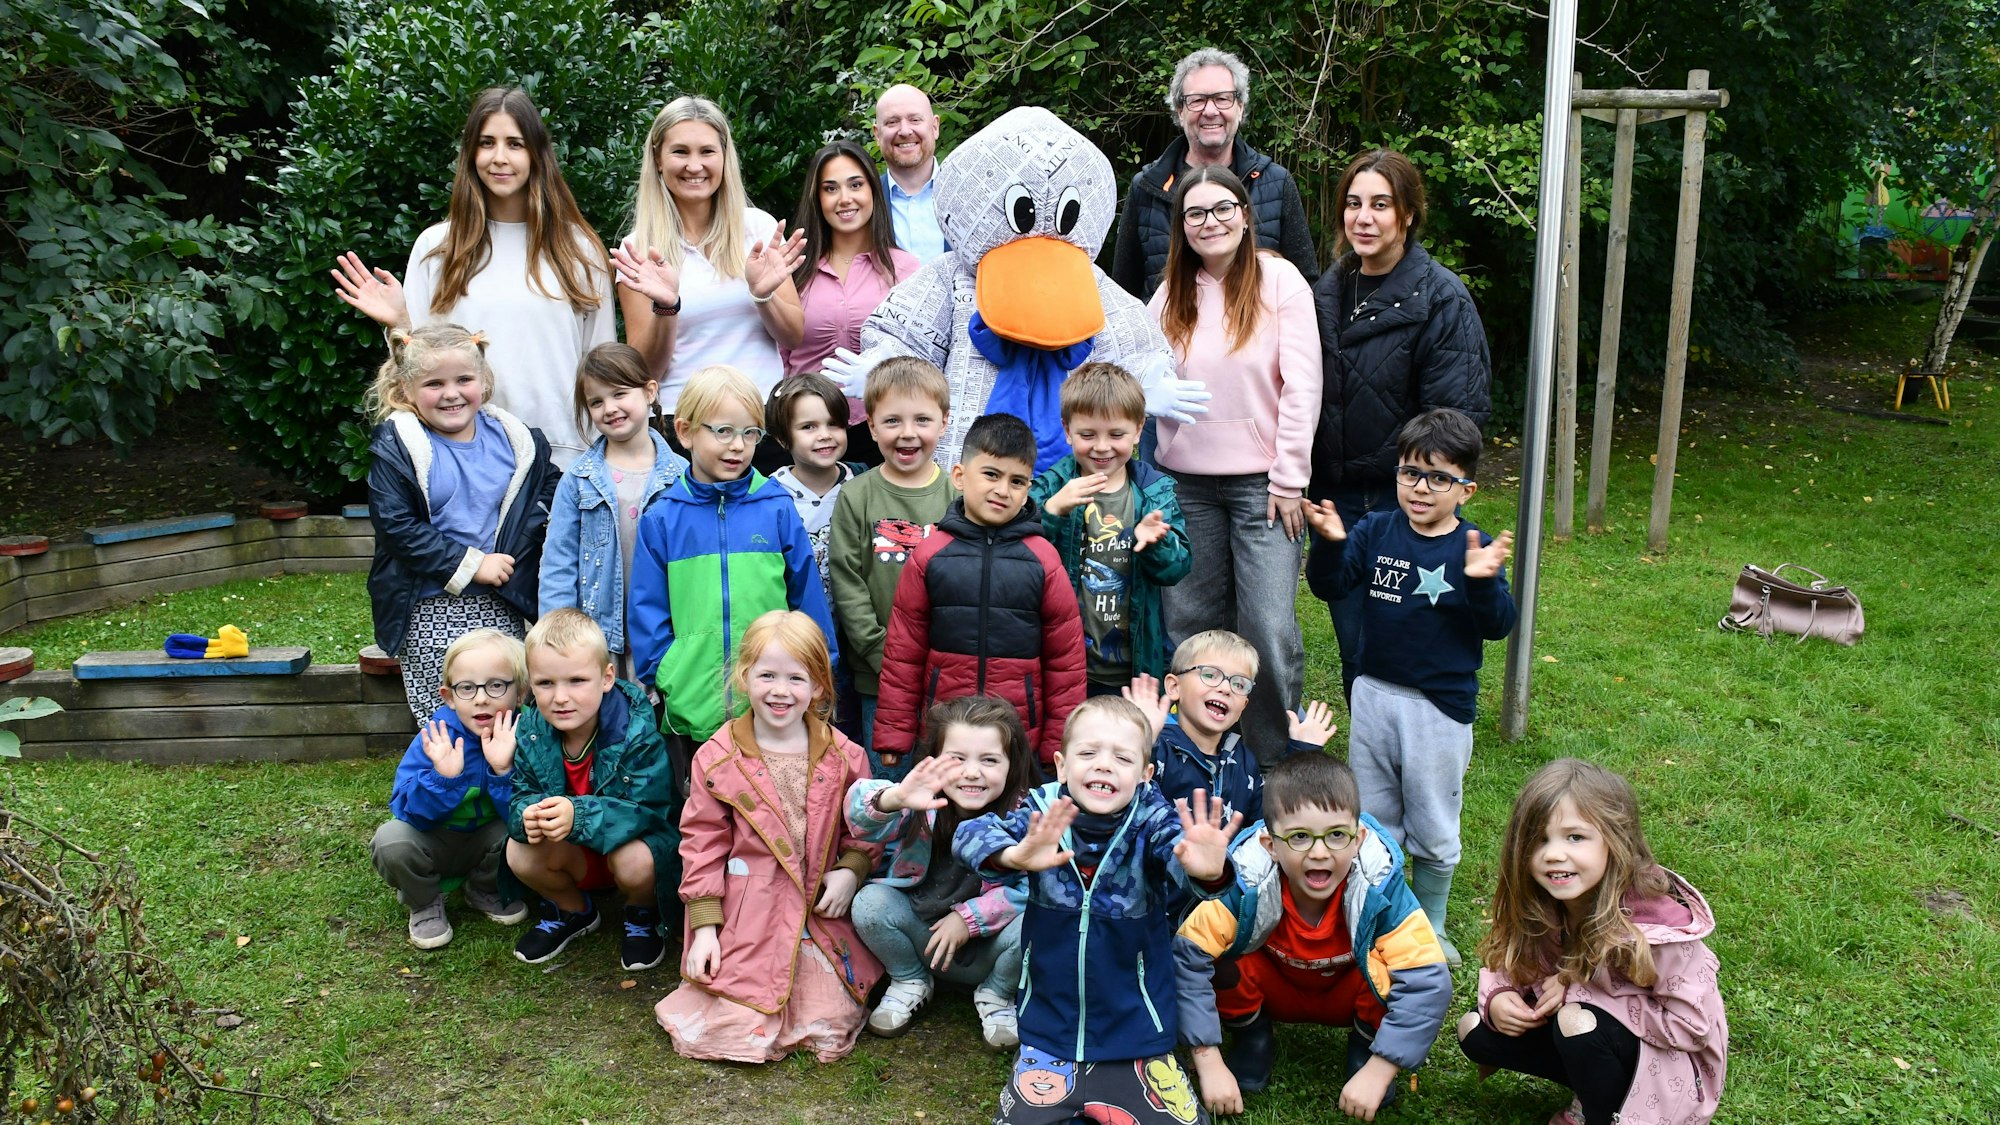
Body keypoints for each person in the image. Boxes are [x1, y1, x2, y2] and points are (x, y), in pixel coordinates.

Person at [954, 695, 1241, 1125]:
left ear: (1145, 775)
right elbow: (970, 832)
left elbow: (1185, 868)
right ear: (1062, 765)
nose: (1103, 764)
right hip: (1049, 1037)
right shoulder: (1040, 810)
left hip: (1138, 1036)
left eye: (1121, 757)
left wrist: (1206, 871)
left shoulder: (1153, 818)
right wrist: (1014, 856)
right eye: (1088, 753)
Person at [1303, 408, 1517, 966]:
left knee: (1432, 815)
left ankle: (1432, 920)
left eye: (1438, 477)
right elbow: (1331, 585)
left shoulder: (1474, 545)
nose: (1421, 488)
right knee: (1375, 813)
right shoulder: (1375, 530)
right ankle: (1384, 911)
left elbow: (1498, 626)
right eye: (1409, 473)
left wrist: (1483, 584)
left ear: (1466, 487)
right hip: (1373, 695)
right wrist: (1328, 543)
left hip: (1438, 710)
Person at [332, 87, 613, 467]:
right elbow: (420, 370)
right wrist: (400, 323)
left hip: (565, 457)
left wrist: (605, 455)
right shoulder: (437, 247)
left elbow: (599, 362)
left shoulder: (577, 249)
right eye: (486, 143)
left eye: (515, 143)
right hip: (463, 460)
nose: (500, 157)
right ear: (470, 154)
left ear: (536, 153)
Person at [1306, 147, 1493, 701]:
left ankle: (1430, 748)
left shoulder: (1442, 299)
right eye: (1354, 203)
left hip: (1404, 500)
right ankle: (1371, 757)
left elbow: (1455, 419)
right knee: (1355, 646)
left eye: (1381, 205)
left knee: (1410, 638)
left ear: (1407, 214)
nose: (1364, 217)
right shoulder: (1325, 294)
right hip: (1337, 496)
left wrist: (1423, 488)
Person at [1148, 165, 1321, 760]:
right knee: (1188, 626)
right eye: (1195, 213)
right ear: (1182, 227)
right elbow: (1138, 364)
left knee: (1267, 629)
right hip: (1185, 484)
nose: (1210, 222)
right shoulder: (1171, 290)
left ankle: (1274, 761)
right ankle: (1192, 757)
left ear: (1245, 216)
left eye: (1223, 209)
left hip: (1263, 485)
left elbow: (1303, 384)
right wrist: (1149, 391)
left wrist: (1291, 476)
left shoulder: (1278, 280)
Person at [657, 610, 882, 1063]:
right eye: (767, 675)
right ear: (744, 677)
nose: (781, 691)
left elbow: (866, 828)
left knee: (829, 1016)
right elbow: (702, 843)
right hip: (747, 915)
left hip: (816, 915)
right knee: (737, 1018)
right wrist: (704, 929)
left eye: (797, 678)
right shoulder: (717, 759)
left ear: (818, 685)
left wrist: (851, 872)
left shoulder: (846, 756)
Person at [1175, 752, 1451, 1119]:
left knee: (1394, 964)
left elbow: (1428, 980)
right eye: (1300, 837)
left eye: (1337, 835)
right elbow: (1187, 955)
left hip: (1349, 994)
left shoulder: (1379, 884)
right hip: (1274, 987)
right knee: (1218, 956)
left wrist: (1381, 1067)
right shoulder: (1246, 880)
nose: (1319, 853)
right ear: (1270, 846)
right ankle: (1252, 1032)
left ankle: (1366, 1045)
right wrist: (1208, 1060)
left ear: (1359, 839)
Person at [1458, 759, 1728, 1125]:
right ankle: (1590, 1086)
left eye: (1575, 837)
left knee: (1577, 1020)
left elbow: (1691, 1026)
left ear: (1616, 841)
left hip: (1669, 1072)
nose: (1553, 853)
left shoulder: (1656, 929)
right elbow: (1514, 961)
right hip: (1588, 1034)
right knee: (1475, 1030)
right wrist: (1500, 996)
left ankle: (1598, 1115)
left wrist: (1582, 990)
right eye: (1539, 839)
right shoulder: (1548, 902)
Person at [627, 364, 839, 785]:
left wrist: (819, 670)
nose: (738, 446)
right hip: (695, 712)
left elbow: (807, 603)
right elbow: (647, 618)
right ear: (685, 432)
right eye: (722, 431)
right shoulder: (663, 519)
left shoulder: (776, 508)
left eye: (749, 433)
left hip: (776, 706)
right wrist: (671, 677)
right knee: (705, 821)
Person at [364, 325, 556, 725]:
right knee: (452, 706)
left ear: (483, 382)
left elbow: (547, 490)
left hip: (502, 599)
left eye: (464, 379)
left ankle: (505, 778)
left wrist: (519, 546)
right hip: (429, 602)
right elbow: (396, 526)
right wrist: (471, 564)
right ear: (405, 389)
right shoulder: (399, 446)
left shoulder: (514, 439)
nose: (451, 393)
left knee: (504, 699)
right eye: (434, 383)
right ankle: (445, 779)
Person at [874, 414, 1085, 771]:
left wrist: (1057, 744)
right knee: (940, 822)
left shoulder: (1043, 559)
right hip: (944, 733)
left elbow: (1066, 662)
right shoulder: (929, 555)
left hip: (1015, 739)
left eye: (1017, 481)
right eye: (991, 474)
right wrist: (895, 733)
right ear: (959, 476)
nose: (1003, 490)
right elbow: (903, 654)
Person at [609, 96, 808, 468]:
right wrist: (667, 306)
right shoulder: (639, 248)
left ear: (724, 156)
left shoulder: (758, 228)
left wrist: (763, 296)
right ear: (657, 159)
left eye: (707, 151)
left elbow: (793, 335)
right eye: (680, 152)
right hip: (683, 428)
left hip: (761, 422)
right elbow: (645, 371)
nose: (694, 165)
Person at [845, 695, 1037, 1047]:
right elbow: (857, 818)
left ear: (1013, 764)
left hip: (991, 950)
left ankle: (996, 995)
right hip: (924, 937)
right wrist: (895, 797)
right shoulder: (922, 800)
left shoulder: (1025, 815)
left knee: (1040, 921)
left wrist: (969, 918)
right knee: (870, 903)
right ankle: (910, 979)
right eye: (957, 759)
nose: (971, 772)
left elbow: (1034, 887)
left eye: (990, 760)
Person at [504, 610, 679, 971]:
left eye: (577, 680)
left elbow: (649, 812)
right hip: (573, 853)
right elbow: (521, 792)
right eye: (546, 683)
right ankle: (573, 911)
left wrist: (577, 814)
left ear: (606, 678)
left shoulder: (637, 731)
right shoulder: (532, 728)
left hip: (628, 850)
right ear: (530, 685)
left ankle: (641, 916)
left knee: (637, 862)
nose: (560, 697)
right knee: (518, 851)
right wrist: (529, 814)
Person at [827, 358, 956, 774]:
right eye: (892, 420)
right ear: (871, 427)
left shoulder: (958, 495)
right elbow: (847, 580)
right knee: (889, 784)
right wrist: (881, 652)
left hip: (947, 671)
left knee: (947, 782)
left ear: (944, 422)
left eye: (922, 419)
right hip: (878, 675)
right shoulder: (857, 495)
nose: (907, 433)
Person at [1029, 362, 1190, 691]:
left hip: (1136, 660)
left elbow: (1177, 568)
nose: (1102, 446)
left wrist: (1156, 542)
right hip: (1064, 661)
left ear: (1138, 428)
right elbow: (1021, 555)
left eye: (1116, 434)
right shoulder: (1051, 487)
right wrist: (1052, 512)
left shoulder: (1154, 492)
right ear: (1067, 430)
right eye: (1088, 435)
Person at [1110, 49, 1317, 302]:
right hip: (1168, 338)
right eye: (1197, 100)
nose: (1210, 111)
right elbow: (1122, 294)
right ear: (1179, 110)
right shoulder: (1147, 187)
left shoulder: (1276, 183)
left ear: (1240, 107)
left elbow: (1305, 286)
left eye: (1222, 98)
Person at [370, 628, 532, 949]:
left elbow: (527, 814)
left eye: (496, 685)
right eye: (467, 688)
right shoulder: (437, 737)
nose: (482, 697)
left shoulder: (527, 736)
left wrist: (503, 770)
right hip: (434, 839)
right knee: (391, 841)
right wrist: (443, 778)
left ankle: (484, 888)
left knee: (526, 831)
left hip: (489, 840)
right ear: (450, 697)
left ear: (521, 694)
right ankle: (425, 902)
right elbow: (405, 810)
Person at [539, 343, 689, 681]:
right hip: (598, 637)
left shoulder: (681, 476)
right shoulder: (578, 480)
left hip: (666, 632)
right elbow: (558, 564)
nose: (610, 408)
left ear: (650, 391)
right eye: (596, 401)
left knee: (662, 724)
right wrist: (557, 638)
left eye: (620, 393)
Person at [783, 139, 921, 464]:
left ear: (873, 190)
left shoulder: (907, 270)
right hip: (804, 433)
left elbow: (923, 357)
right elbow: (780, 355)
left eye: (855, 185)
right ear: (817, 198)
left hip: (883, 434)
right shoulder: (794, 269)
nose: (845, 199)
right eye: (830, 188)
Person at [1129, 630, 1336, 827]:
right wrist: (1143, 736)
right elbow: (1120, 791)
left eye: (1239, 684)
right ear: (1175, 687)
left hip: (1227, 863)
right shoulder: (1159, 747)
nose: (1225, 688)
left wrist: (1301, 751)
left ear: (1244, 705)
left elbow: (1271, 818)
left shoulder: (1244, 760)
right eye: (1210, 675)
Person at [765, 372, 864, 605]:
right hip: (797, 625)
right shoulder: (770, 495)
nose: (824, 435)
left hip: (856, 623)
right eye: (809, 427)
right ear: (782, 437)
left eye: (834, 424)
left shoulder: (863, 482)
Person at [873, 84, 949, 263]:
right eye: (892, 122)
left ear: (935, 127)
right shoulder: (865, 200)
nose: (905, 131)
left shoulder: (968, 192)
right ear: (877, 134)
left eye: (915, 120)